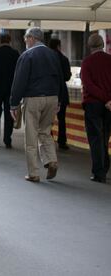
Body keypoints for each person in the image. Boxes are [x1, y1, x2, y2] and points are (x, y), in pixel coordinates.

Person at [10, 27, 63, 182]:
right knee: (45, 131)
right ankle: (51, 160)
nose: (25, 41)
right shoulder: (54, 55)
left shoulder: (27, 55)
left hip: (33, 98)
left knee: (31, 136)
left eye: (26, 38)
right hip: (52, 97)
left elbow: (19, 81)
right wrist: (60, 100)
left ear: (32, 38)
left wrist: (13, 104)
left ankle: (33, 173)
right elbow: (60, 79)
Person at [80, 33, 111, 183]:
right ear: (102, 45)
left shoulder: (87, 62)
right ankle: (105, 167)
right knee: (105, 137)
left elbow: (88, 85)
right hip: (109, 105)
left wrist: (103, 98)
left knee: (95, 138)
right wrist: (109, 99)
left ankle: (99, 173)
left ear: (89, 46)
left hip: (93, 104)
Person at [48, 38, 72, 150]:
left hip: (48, 91)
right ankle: (62, 142)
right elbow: (67, 77)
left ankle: (49, 139)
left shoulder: (46, 58)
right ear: (58, 45)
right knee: (61, 119)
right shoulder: (64, 59)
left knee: (47, 118)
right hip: (61, 92)